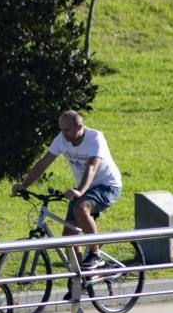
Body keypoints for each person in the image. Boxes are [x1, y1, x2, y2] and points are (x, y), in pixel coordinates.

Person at [12, 110, 122, 271]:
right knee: (68, 238)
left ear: (80, 126)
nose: (63, 134)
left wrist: (79, 190)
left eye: (67, 130)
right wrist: (24, 185)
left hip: (107, 186)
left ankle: (95, 254)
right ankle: (81, 278)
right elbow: (43, 163)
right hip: (85, 188)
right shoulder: (62, 139)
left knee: (81, 207)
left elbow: (91, 167)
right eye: (61, 129)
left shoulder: (95, 138)